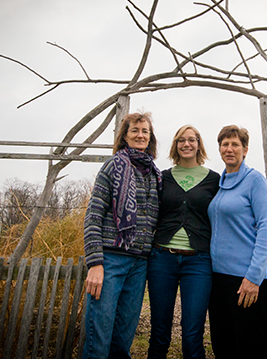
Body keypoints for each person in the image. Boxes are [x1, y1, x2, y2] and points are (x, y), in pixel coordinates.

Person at [83, 112, 162, 359]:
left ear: (150, 137)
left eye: (145, 131)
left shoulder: (155, 174)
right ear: (125, 136)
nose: (140, 135)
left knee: (123, 340)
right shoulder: (113, 166)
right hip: (111, 261)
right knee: (99, 337)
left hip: (139, 263)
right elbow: (93, 215)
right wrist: (95, 263)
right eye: (135, 130)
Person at [147, 125, 220, 359]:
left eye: (191, 140)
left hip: (198, 261)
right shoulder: (162, 177)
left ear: (199, 144)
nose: (186, 144)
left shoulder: (214, 179)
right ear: (175, 145)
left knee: (192, 333)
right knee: (159, 330)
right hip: (162, 259)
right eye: (181, 140)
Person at [207, 125, 267, 359]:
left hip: (248, 279)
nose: (229, 149)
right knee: (224, 346)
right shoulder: (220, 183)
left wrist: (254, 277)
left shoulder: (255, 180)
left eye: (235, 144)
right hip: (219, 279)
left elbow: (266, 227)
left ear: (245, 150)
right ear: (219, 149)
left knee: (252, 349)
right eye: (225, 144)